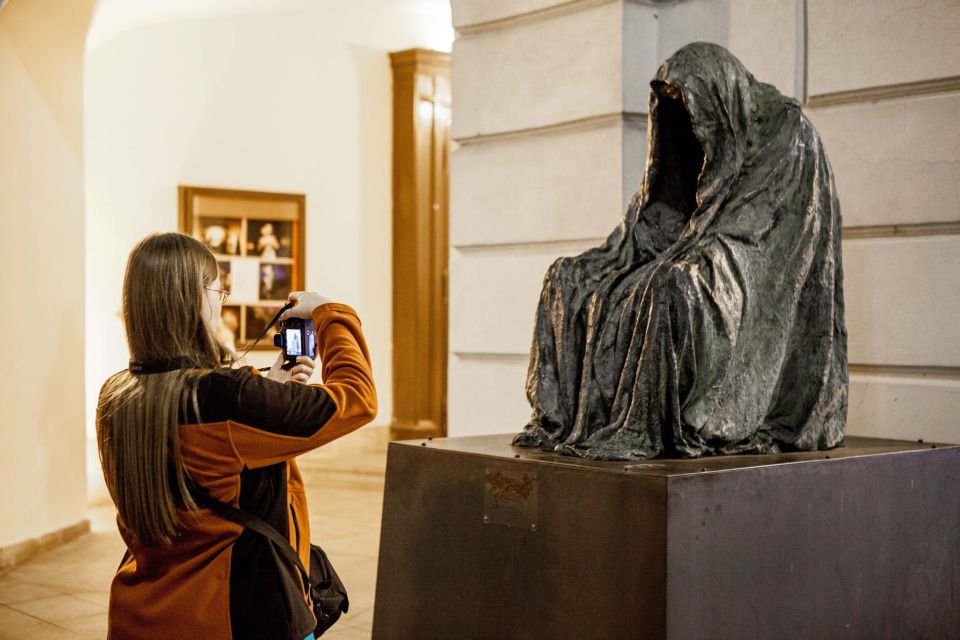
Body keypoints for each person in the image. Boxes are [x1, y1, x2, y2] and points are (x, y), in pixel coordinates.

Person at [515, 42, 847, 460]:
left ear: (719, 105)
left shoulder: (788, 134)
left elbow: (763, 244)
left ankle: (660, 424)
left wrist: (690, 258)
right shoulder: (695, 130)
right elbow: (656, 209)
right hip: (706, 244)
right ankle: (557, 422)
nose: (689, 126)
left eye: (692, 111)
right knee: (565, 278)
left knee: (671, 285)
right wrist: (630, 255)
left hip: (753, 272)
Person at [96, 232, 377, 639]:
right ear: (190, 298)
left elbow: (199, 443)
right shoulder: (227, 397)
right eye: (216, 289)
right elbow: (356, 398)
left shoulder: (116, 395)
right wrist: (330, 314)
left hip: (139, 612)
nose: (220, 301)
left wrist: (270, 384)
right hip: (231, 614)